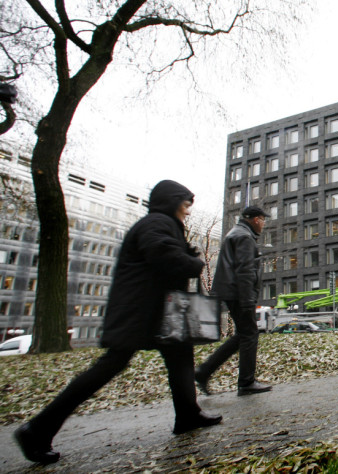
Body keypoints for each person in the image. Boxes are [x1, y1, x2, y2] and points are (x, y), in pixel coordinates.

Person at [14, 180, 222, 465]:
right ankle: (36, 430)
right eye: (185, 206)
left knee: (180, 357)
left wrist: (185, 253)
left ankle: (188, 414)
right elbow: (161, 255)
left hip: (153, 311)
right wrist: (194, 263)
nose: (187, 212)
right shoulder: (156, 223)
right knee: (111, 365)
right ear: (171, 202)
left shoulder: (158, 223)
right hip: (140, 312)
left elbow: (162, 256)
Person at [195, 205, 272, 396]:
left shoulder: (235, 233)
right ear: (256, 220)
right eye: (263, 220)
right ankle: (246, 383)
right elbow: (245, 270)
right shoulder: (244, 237)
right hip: (238, 293)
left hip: (231, 292)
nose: (263, 224)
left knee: (243, 334)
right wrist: (248, 300)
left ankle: (204, 371)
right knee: (250, 334)